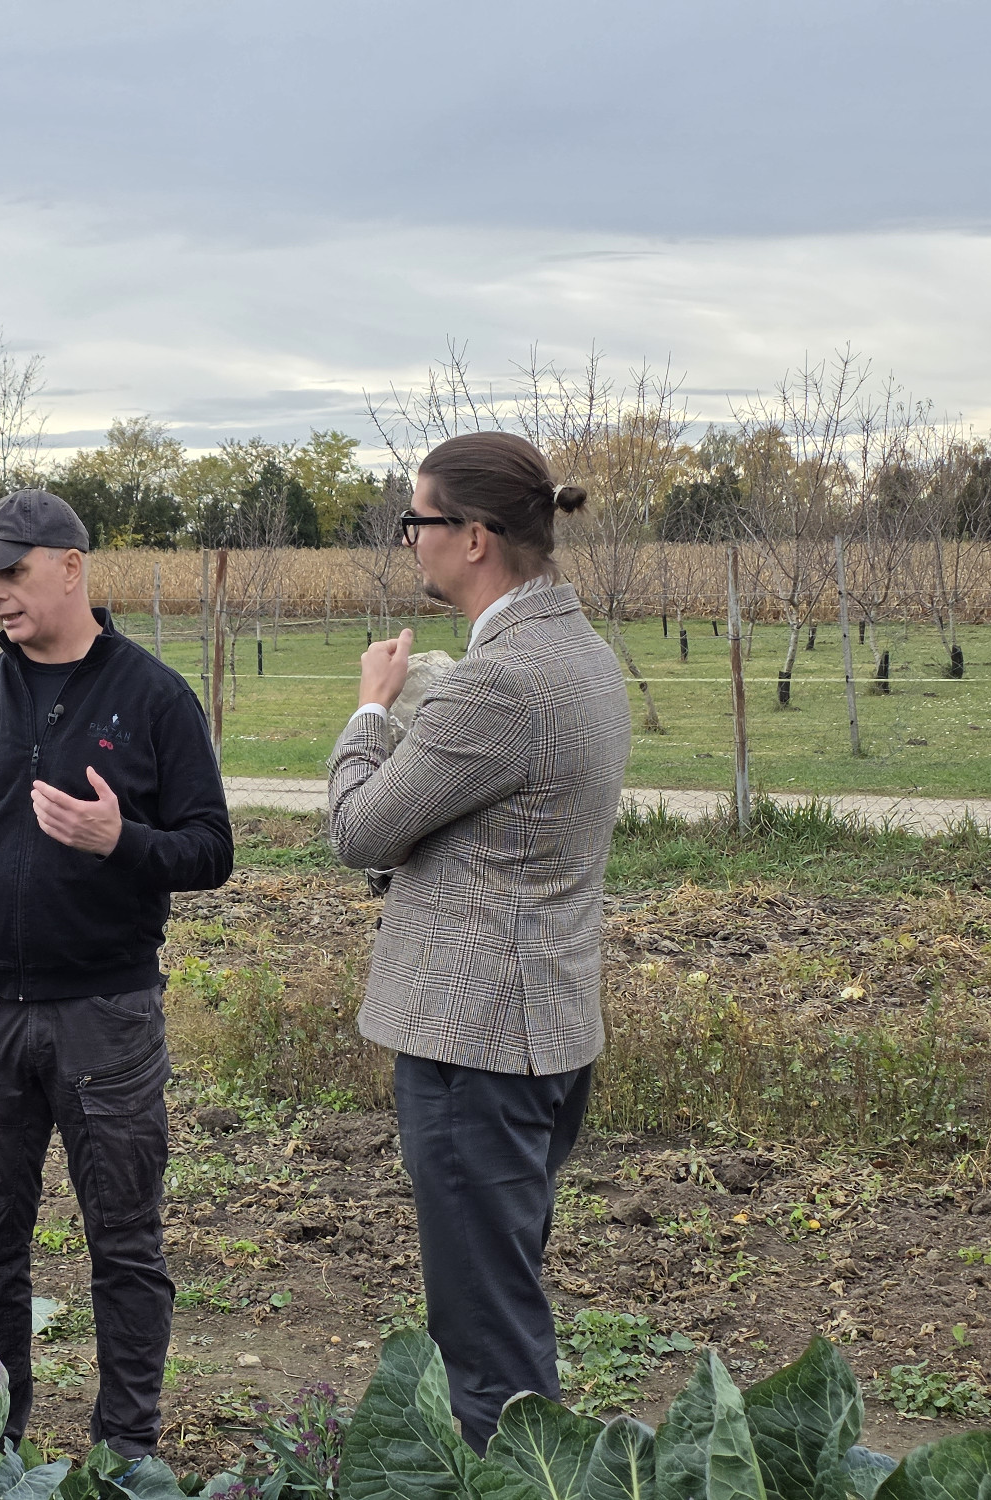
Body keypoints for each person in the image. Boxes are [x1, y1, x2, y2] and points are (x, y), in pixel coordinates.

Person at [0, 489, 234, 1462]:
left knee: (124, 1249)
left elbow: (210, 848)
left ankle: (124, 1453)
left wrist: (117, 838)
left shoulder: (154, 697)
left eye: (11, 571)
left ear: (70, 567)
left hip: (105, 1016)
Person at [327, 431, 630, 1453]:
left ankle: (523, 1479)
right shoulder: (578, 655)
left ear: (470, 537)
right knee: (503, 1292)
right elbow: (487, 828)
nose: (405, 540)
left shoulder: (502, 682)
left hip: (472, 1045)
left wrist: (371, 712)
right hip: (544, 1029)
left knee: (486, 1337)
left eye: (414, 520)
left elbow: (360, 830)